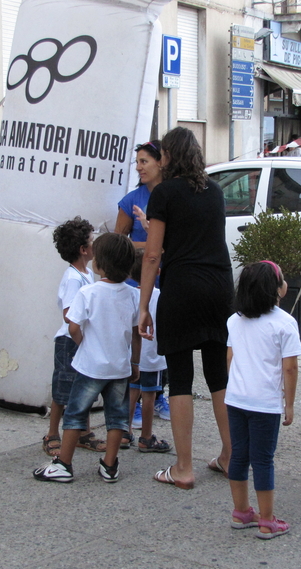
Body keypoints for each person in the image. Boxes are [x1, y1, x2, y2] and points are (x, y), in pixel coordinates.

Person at [139, 126, 234, 490]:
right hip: (219, 288)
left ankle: (183, 467)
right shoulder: (215, 191)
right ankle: (229, 456)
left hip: (182, 288)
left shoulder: (164, 193)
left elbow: (151, 254)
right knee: (218, 376)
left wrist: (144, 306)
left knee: (180, 378)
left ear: (168, 157)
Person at [33, 233, 140, 483]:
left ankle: (64, 464)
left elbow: (72, 326)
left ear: (99, 264)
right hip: (120, 368)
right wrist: (135, 362)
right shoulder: (133, 295)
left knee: (75, 413)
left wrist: (84, 345)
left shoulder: (88, 292)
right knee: (116, 417)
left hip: (89, 367)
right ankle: (109, 465)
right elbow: (136, 335)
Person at [226, 261, 301, 539]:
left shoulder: (235, 320)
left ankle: (241, 511)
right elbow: (290, 368)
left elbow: (230, 358)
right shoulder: (285, 323)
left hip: (236, 399)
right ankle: (267, 519)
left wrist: (236, 386)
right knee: (263, 460)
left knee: (239, 455)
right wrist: (289, 404)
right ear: (278, 289)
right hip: (265, 403)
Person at [114, 140, 171, 423]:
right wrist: (149, 244)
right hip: (138, 286)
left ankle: (159, 396)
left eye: (144, 161)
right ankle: (133, 402)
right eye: (137, 162)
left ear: (161, 162)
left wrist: (158, 243)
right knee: (138, 344)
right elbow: (117, 244)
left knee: (163, 345)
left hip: (168, 281)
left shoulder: (174, 195)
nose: (138, 167)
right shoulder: (130, 200)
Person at [43, 217, 106, 457]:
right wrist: (81, 340)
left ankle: (83, 433)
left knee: (83, 388)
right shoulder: (72, 278)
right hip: (70, 341)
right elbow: (70, 315)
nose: (94, 245)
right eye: (91, 241)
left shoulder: (87, 273)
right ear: (83, 249)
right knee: (63, 391)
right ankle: (52, 434)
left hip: (80, 340)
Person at [127, 249, 171, 452]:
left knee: (131, 393)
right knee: (150, 395)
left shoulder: (129, 295)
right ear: (157, 271)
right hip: (152, 355)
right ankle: (146, 436)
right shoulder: (161, 296)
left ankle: (124, 433)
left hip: (132, 356)